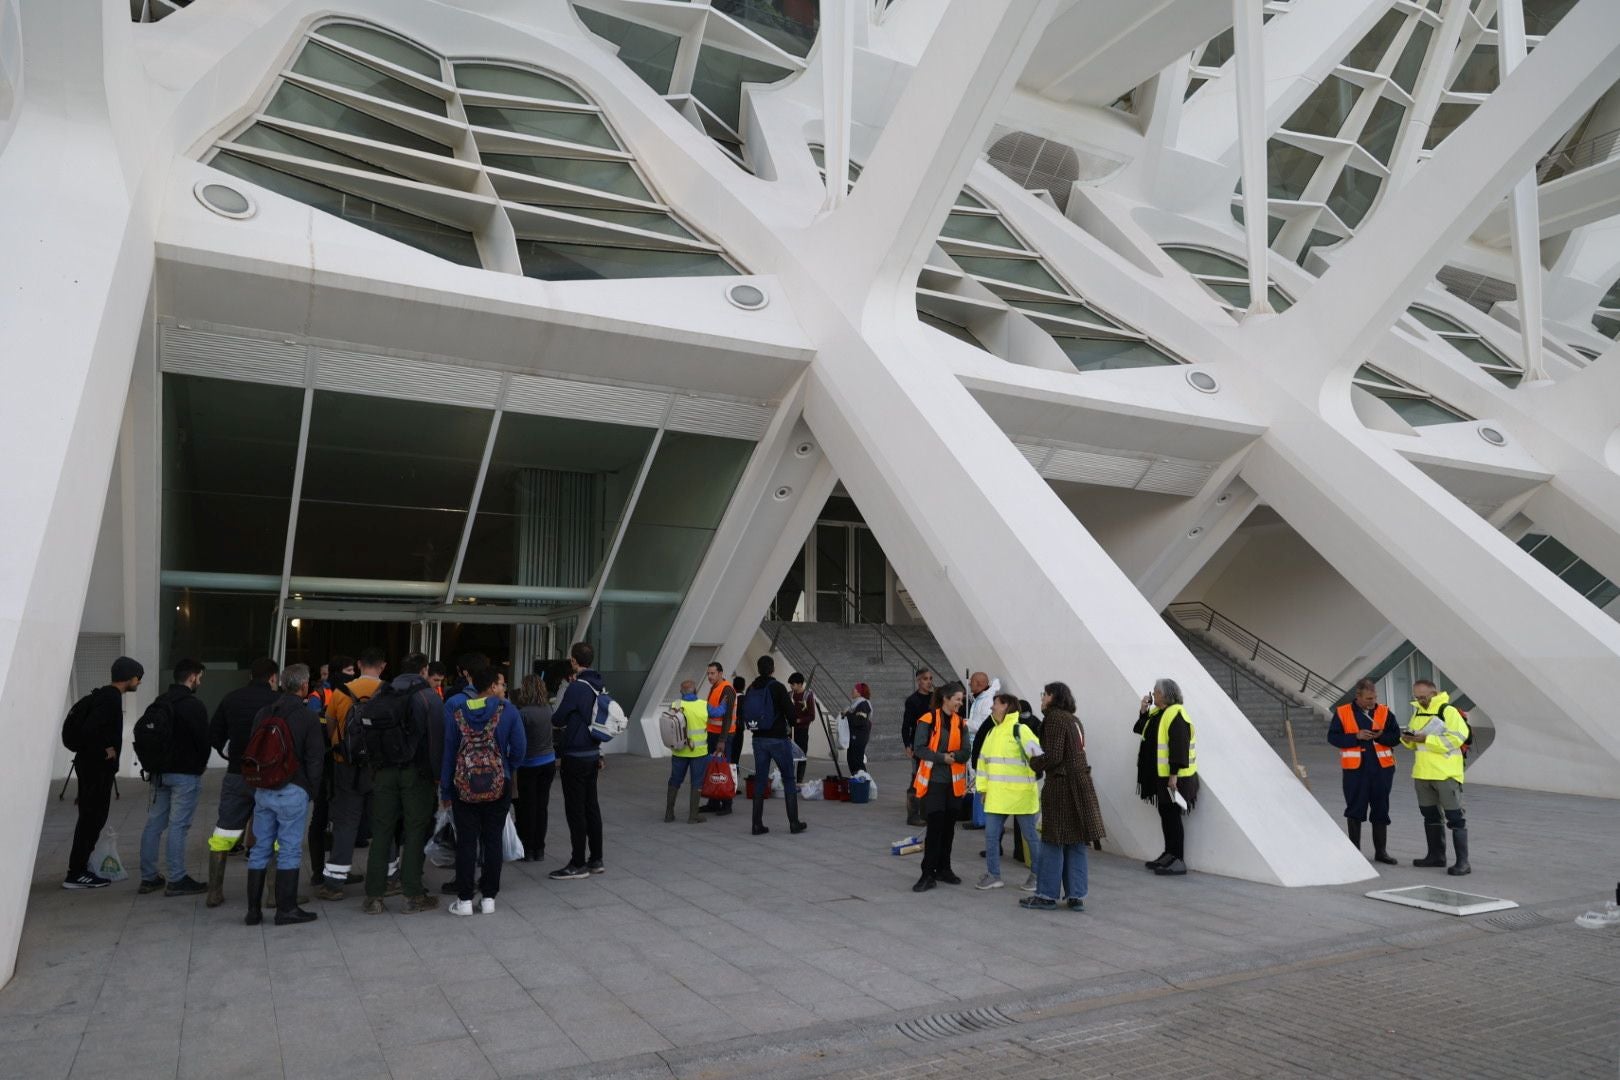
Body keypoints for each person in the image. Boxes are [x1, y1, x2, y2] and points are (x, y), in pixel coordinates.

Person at [362, 653, 445, 914]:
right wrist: (437, 775)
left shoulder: (381, 692)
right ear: (423, 671)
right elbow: (435, 741)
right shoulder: (428, 696)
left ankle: (374, 896)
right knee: (415, 831)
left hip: (384, 771)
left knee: (382, 833)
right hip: (415, 774)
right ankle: (413, 894)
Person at [244, 664, 325, 926]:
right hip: (293, 788)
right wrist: (310, 790)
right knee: (289, 850)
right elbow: (315, 759)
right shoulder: (307, 716)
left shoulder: (263, 712)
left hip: (264, 788)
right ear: (303, 686)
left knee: (259, 849)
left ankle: (253, 911)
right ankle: (286, 909)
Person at [440, 667, 525, 915]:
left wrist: (446, 790)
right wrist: (505, 768)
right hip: (499, 784)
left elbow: (448, 754)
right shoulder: (508, 710)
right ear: (491, 686)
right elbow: (520, 748)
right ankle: (489, 898)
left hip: (463, 787)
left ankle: (464, 900)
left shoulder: (457, 710)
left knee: (466, 842)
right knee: (492, 840)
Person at [203, 657, 280, 907]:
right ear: (272, 678)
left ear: (250, 676)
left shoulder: (231, 698)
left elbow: (214, 734)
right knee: (272, 835)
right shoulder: (277, 701)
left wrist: (231, 753)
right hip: (269, 778)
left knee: (224, 832)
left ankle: (214, 891)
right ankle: (272, 894)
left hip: (237, 773)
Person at [1021, 683, 1105, 911]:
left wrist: (1035, 761)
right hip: (1079, 786)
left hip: (1061, 787)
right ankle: (1076, 896)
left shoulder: (1054, 719)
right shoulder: (1073, 719)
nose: (1042, 698)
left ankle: (1046, 895)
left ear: (1053, 697)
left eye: (1044, 694)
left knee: (1053, 840)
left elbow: (1055, 755)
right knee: (1076, 842)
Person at [63, 656, 143, 889]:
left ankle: (80, 868)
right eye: (139, 678)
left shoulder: (104, 695)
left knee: (91, 818)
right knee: (92, 819)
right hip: (95, 769)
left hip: (90, 767)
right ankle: (76, 873)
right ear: (132, 677)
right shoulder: (110, 698)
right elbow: (91, 730)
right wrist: (103, 751)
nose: (139, 683)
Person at [315, 647, 386, 901]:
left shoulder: (340, 693)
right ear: (383, 666)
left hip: (345, 765)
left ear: (359, 664)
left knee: (345, 823)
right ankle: (387, 878)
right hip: (379, 769)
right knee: (382, 822)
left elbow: (331, 726)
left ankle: (334, 883)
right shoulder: (388, 692)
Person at [138, 658, 210, 896]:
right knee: (178, 826)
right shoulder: (193, 705)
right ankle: (177, 879)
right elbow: (203, 741)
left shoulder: (160, 702)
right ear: (192, 677)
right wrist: (200, 766)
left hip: (160, 772)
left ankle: (149, 877)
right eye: (199, 677)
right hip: (185, 774)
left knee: (154, 824)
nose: (200, 681)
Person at [1401, 679, 1472, 875]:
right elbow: (1415, 743)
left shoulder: (1448, 711)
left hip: (1445, 774)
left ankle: (1463, 863)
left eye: (1423, 696)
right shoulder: (1417, 711)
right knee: (1430, 816)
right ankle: (1436, 856)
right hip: (1423, 773)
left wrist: (1427, 739)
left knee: (1455, 817)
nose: (1420, 700)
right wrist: (1408, 739)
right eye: (1416, 697)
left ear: (1434, 693)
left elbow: (1458, 738)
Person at [548, 642, 606, 880]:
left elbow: (558, 718)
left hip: (575, 753)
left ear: (574, 661)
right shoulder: (599, 685)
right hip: (592, 752)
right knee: (591, 806)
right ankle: (596, 859)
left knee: (575, 809)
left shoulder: (577, 688)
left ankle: (577, 862)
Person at [1328, 677, 1401, 865]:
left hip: (1382, 770)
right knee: (1355, 809)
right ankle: (1355, 851)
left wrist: (1381, 736)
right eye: (1369, 699)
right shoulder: (1343, 712)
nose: (1373, 702)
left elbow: (1396, 737)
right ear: (1358, 697)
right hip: (1355, 771)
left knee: (1381, 809)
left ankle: (1381, 852)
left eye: (1374, 697)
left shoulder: (1384, 712)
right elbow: (1333, 738)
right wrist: (1356, 736)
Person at [977, 693, 1041, 891]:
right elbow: (983, 764)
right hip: (997, 795)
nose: (992, 708)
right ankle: (993, 875)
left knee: (1030, 837)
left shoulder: (1021, 730)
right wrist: (983, 789)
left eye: (995, 704)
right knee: (991, 836)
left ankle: (1038, 876)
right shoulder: (992, 733)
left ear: (1006, 706)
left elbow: (1039, 757)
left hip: (1020, 794)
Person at [1135, 678, 1197, 877]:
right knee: (1166, 815)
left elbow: (1179, 747)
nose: (1153, 694)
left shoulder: (1176, 714)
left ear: (1164, 694)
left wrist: (1173, 776)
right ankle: (1169, 854)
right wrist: (1143, 710)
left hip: (1174, 778)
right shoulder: (1158, 713)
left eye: (1156, 691)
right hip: (1161, 776)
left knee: (1172, 817)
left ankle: (1178, 859)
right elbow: (1140, 729)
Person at [911, 681, 968, 892]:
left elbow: (966, 751)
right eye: (958, 700)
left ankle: (945, 868)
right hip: (934, 783)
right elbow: (919, 748)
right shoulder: (928, 719)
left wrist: (955, 756)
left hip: (953, 785)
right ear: (946, 698)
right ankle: (927, 873)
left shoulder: (961, 723)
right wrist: (943, 758)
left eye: (961, 700)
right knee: (934, 829)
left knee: (948, 829)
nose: (960, 704)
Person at [744, 655, 806, 837]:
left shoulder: (751, 687)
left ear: (758, 668)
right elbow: (792, 716)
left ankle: (757, 825)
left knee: (761, 780)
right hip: (778, 739)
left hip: (758, 739)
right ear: (772, 669)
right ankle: (794, 823)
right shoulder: (777, 688)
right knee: (788, 778)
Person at [513, 673, 556, 859]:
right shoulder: (548, 709)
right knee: (541, 806)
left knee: (526, 807)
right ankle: (540, 847)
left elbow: (518, 741)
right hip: (548, 761)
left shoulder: (523, 714)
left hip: (528, 764)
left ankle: (527, 847)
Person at [665, 680, 711, 824]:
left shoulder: (675, 705)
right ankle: (693, 816)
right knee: (696, 783)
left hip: (679, 751)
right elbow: (719, 712)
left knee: (675, 780)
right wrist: (723, 704)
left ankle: (669, 814)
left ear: (681, 691)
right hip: (698, 752)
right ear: (695, 690)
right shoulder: (704, 705)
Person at [698, 662, 738, 816]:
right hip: (713, 734)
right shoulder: (714, 687)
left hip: (724, 736)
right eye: (708, 673)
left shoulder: (727, 689)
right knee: (713, 767)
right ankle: (714, 801)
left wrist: (722, 740)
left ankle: (727, 803)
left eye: (712, 673)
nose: (709, 676)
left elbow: (727, 718)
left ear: (721, 673)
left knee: (724, 769)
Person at [962, 672, 999, 831]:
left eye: (972, 682)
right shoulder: (981, 699)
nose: (970, 685)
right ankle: (977, 818)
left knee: (978, 782)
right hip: (974, 745)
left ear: (979, 683)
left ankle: (979, 820)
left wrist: (964, 722)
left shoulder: (986, 701)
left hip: (980, 747)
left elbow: (982, 726)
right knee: (975, 781)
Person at [901, 667, 934, 828]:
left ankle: (926, 812)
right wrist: (908, 744)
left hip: (933, 744)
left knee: (930, 778)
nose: (928, 682)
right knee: (916, 779)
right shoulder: (912, 700)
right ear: (918, 681)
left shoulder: (935, 699)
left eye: (930, 679)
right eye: (925, 679)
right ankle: (913, 814)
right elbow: (906, 725)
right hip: (918, 744)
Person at [788, 673, 817, 784]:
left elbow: (812, 716)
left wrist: (799, 720)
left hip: (802, 730)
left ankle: (799, 780)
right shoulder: (789, 695)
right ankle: (789, 778)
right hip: (790, 730)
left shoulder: (808, 696)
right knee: (789, 754)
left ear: (800, 684)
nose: (791, 686)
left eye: (793, 684)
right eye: (790, 684)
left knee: (801, 755)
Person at [844, 683, 873, 776]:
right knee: (851, 759)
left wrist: (847, 714)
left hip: (859, 737)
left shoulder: (863, 704)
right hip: (854, 736)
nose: (853, 690)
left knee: (857, 760)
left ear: (860, 692)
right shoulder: (856, 704)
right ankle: (856, 780)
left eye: (855, 689)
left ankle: (863, 781)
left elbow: (860, 721)